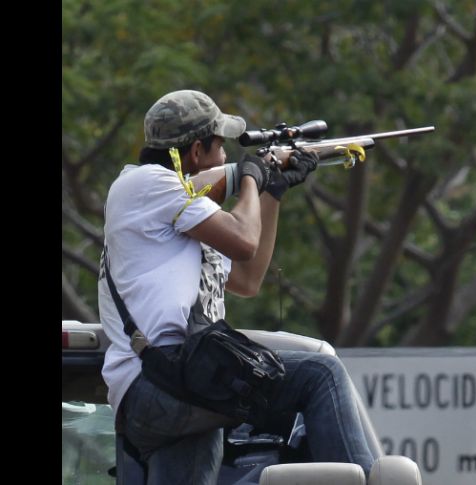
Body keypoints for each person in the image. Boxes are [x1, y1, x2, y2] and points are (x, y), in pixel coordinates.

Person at [97, 89, 375, 484]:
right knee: (321, 374)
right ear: (196, 152)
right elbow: (244, 238)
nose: (226, 156)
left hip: (180, 386)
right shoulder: (147, 184)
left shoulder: (179, 217)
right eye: (220, 147)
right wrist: (250, 176)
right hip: (162, 382)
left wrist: (271, 192)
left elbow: (248, 278)